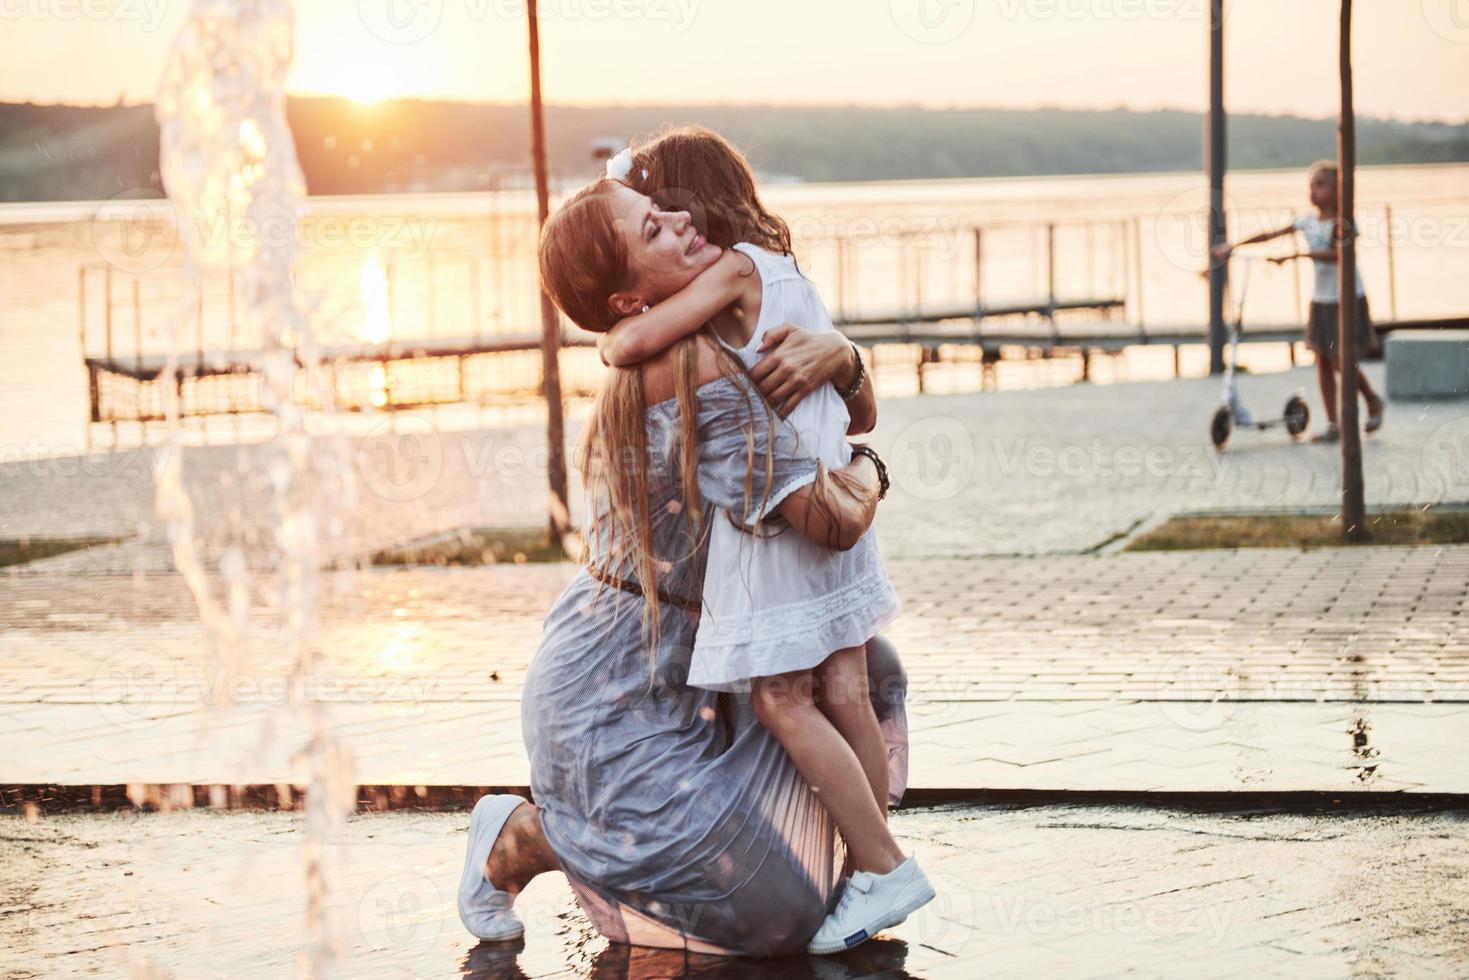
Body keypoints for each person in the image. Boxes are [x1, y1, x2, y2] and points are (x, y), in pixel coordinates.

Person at [457, 179, 917, 956]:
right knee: (771, 913)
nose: (685, 218)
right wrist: (870, 466)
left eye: (671, 205)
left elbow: (849, 409)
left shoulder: (718, 335)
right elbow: (829, 522)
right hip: (617, 691)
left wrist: (841, 357)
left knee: (866, 675)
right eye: (652, 226)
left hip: (707, 668)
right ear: (631, 298)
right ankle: (522, 837)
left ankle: (858, 873)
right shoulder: (691, 366)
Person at [596, 136, 929, 954]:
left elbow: (632, 344)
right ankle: (864, 873)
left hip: (783, 524)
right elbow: (850, 417)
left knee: (783, 698)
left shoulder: (729, 275)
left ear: (701, 204)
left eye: (672, 209)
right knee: (844, 689)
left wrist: (611, 335)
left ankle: (882, 865)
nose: (670, 224)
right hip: (834, 511)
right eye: (654, 220)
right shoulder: (780, 270)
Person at [1213, 160, 1384, 442]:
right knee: (1323, 360)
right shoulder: (1307, 221)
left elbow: (1339, 254)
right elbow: (1272, 234)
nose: (1314, 191)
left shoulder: (1345, 221)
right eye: (1311, 185)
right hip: (1322, 299)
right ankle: (1334, 424)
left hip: (1347, 298)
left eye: (1320, 184)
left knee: (1342, 360)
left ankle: (1372, 399)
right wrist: (1235, 246)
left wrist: (1295, 257)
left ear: (1337, 188)